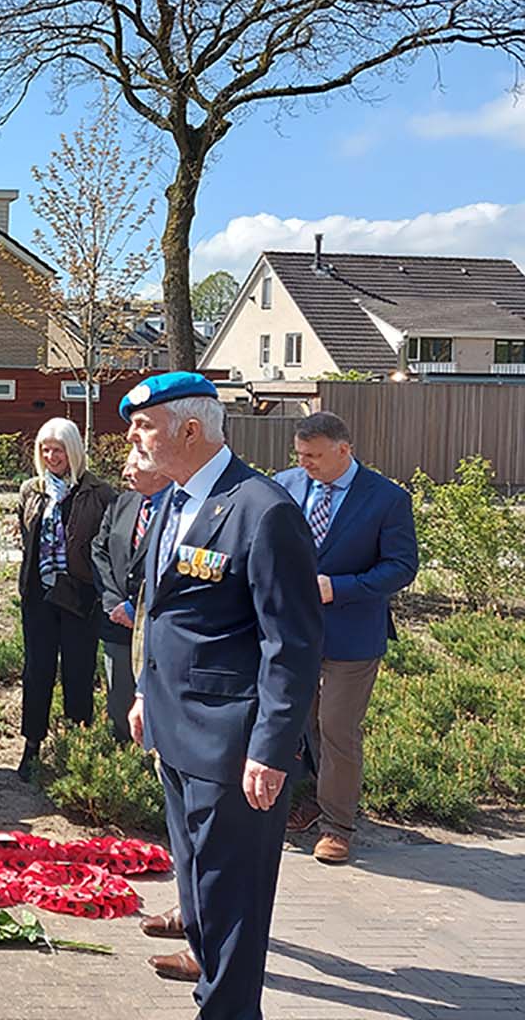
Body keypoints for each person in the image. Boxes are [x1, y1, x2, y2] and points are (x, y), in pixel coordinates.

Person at [124, 372, 323, 1012]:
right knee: (198, 880)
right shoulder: (176, 501)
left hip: (233, 744)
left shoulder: (262, 511)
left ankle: (231, 1007)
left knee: (233, 891)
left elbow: (289, 643)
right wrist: (142, 695)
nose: (132, 436)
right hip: (176, 731)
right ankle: (211, 980)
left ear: (189, 428)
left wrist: (271, 748)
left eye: (143, 425)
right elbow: (165, 615)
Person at [274, 411, 417, 865]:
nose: (305, 464)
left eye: (313, 456)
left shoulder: (386, 498)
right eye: (299, 455)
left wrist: (340, 588)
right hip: (292, 629)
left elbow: (401, 567)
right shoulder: (286, 485)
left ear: (344, 450)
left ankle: (338, 826)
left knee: (337, 727)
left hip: (352, 633)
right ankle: (310, 799)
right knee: (299, 721)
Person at [14, 417, 115, 781]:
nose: (51, 456)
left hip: (80, 596)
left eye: (58, 449)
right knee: (37, 672)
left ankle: (77, 750)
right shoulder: (31, 490)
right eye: (45, 449)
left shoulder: (99, 492)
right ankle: (32, 747)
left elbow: (106, 546)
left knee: (78, 672)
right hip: (39, 595)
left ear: (73, 451)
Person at [90, 446, 173, 742]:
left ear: (159, 470)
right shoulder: (122, 503)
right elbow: (99, 550)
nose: (125, 473)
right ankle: (125, 771)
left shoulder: (180, 508)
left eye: (133, 467)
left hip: (157, 625)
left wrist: (136, 608)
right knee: (120, 704)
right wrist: (115, 603)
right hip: (117, 625)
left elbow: (174, 566)